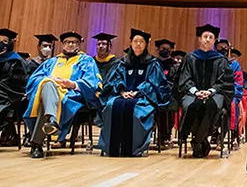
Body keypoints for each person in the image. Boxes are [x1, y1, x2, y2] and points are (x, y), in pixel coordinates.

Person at [24, 31, 100, 158]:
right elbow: (34, 79)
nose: (70, 44)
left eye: (74, 42)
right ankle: (51, 121)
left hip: (70, 95)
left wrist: (72, 84)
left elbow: (92, 82)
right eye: (67, 42)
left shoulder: (86, 61)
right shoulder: (51, 61)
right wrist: (49, 81)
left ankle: (37, 144)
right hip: (49, 92)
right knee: (47, 84)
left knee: (46, 99)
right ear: (62, 44)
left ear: (79, 44)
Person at [99, 28, 171, 157]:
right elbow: (115, 80)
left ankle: (133, 148)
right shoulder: (122, 63)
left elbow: (155, 83)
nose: (138, 44)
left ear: (146, 45)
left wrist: (138, 92)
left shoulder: (152, 63)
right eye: (135, 41)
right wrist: (121, 92)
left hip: (143, 97)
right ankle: (112, 147)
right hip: (122, 95)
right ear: (131, 43)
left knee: (136, 111)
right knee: (110, 106)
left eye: (141, 41)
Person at [178, 24, 234, 158]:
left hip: (215, 93)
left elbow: (223, 81)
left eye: (211, 37)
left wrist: (210, 91)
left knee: (213, 106)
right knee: (190, 105)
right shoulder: (190, 58)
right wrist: (195, 91)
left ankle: (197, 141)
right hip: (192, 93)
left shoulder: (220, 60)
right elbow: (184, 79)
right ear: (199, 39)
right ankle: (201, 140)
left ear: (214, 40)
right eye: (205, 37)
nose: (207, 39)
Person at [215, 38, 244, 150]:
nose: (223, 49)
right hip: (216, 94)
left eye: (225, 47)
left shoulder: (234, 65)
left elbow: (238, 83)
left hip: (231, 94)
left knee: (232, 105)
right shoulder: (212, 63)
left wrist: (235, 96)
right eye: (220, 48)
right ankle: (214, 134)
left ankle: (231, 135)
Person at [154, 38, 178, 146]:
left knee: (170, 104)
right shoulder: (153, 64)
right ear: (158, 50)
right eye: (163, 48)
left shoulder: (176, 65)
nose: (165, 50)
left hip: (170, 93)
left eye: (168, 49)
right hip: (155, 93)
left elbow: (176, 82)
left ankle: (166, 135)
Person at [231, 48, 247, 140]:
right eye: (231, 56)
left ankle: (237, 131)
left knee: (239, 106)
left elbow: (245, 88)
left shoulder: (243, 73)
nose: (233, 58)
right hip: (228, 94)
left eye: (235, 57)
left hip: (240, 95)